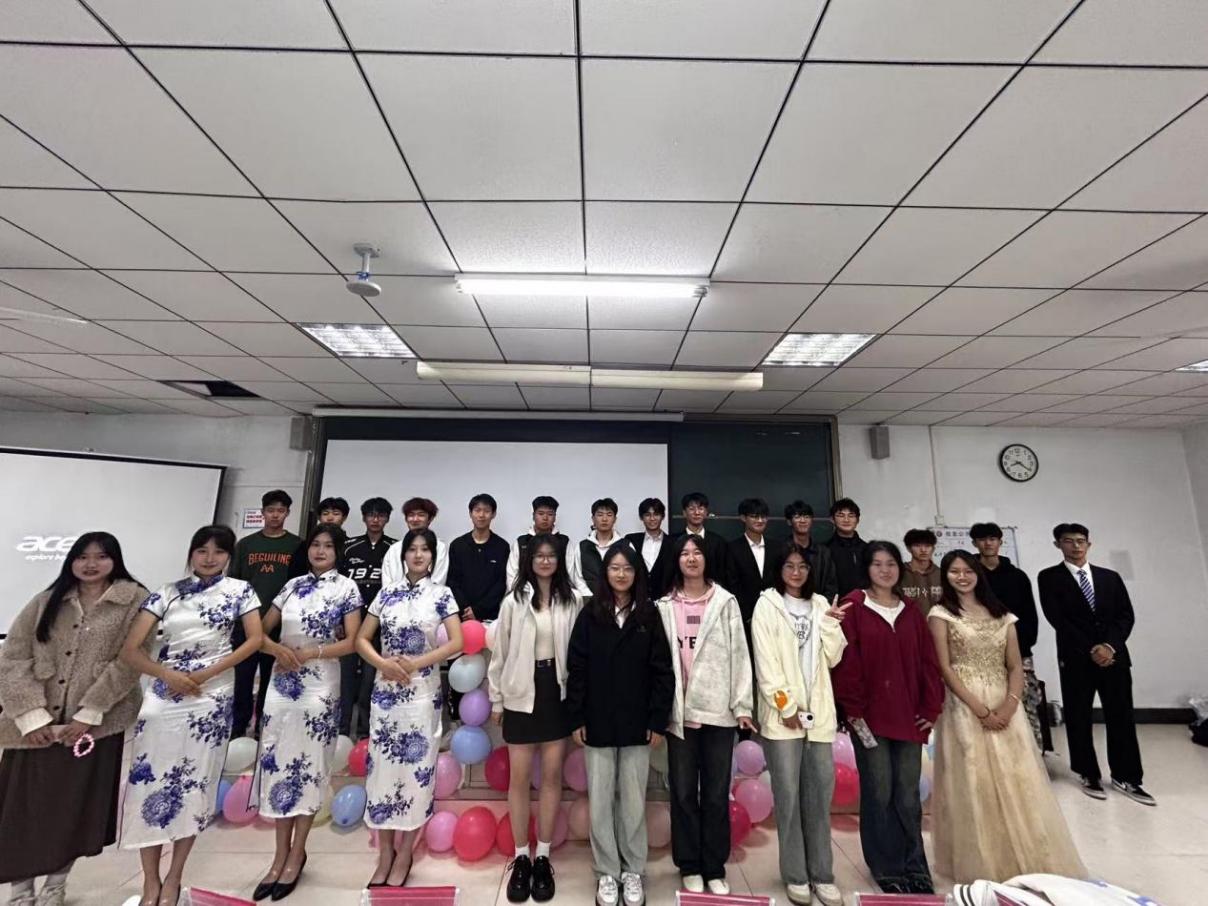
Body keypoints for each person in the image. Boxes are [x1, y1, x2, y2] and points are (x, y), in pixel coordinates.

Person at [0, 534, 150, 906]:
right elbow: (14, 657)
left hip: (93, 728)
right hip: (34, 728)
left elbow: (130, 661)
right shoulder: (47, 601)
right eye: (82, 557)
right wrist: (31, 717)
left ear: (115, 560)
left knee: (71, 810)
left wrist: (89, 714)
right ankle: (20, 892)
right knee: (22, 809)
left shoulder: (134, 600)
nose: (91, 564)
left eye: (101, 556)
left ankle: (55, 887)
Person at [120, 526, 264, 906]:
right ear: (191, 553)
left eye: (218, 551)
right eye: (202, 550)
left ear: (229, 556)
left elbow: (255, 640)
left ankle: (174, 877)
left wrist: (205, 674)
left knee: (193, 785)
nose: (209, 558)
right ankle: (150, 881)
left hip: (210, 695)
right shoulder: (167, 592)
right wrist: (167, 675)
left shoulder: (240, 590)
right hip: (165, 694)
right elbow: (131, 650)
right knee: (150, 782)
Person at [928, 550, 1086, 883]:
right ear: (946, 576)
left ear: (978, 573)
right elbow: (944, 667)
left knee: (1019, 779)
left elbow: (1015, 665)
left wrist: (1010, 706)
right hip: (964, 705)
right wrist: (980, 709)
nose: (962, 577)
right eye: (954, 571)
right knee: (975, 782)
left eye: (967, 570)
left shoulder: (1002, 614)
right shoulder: (941, 614)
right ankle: (985, 861)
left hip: (1005, 703)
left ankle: (1027, 853)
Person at [252, 524, 363, 901]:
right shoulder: (291, 586)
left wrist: (311, 653)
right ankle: (278, 855)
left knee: (309, 766)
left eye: (328, 546)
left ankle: (297, 853)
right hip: (282, 682)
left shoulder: (346, 588)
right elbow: (259, 632)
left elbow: (352, 642)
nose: (320, 551)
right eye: (315, 544)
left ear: (338, 552)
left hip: (320, 683)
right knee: (279, 764)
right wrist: (277, 651)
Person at [831, 541, 943, 895]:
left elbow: (928, 662)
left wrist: (931, 708)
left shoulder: (910, 610)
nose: (885, 570)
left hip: (909, 717)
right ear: (867, 569)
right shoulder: (854, 606)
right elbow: (845, 664)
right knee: (879, 792)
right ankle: (886, 866)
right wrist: (854, 711)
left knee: (907, 795)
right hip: (869, 719)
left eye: (891, 563)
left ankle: (915, 866)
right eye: (877, 564)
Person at [566, 542, 674, 906]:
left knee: (632, 800)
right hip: (597, 720)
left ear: (636, 573)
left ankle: (633, 870)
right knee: (600, 800)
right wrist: (577, 716)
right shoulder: (590, 614)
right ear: (605, 573)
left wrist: (657, 719)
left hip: (637, 723)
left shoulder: (648, 614)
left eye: (628, 568)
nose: (621, 574)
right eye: (615, 568)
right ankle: (606, 872)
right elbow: (577, 668)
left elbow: (662, 671)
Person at [358, 529, 463, 888]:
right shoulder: (386, 593)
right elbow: (361, 638)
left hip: (421, 692)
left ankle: (405, 852)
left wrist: (417, 663)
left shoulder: (441, 594)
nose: (418, 555)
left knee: (417, 769)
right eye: (412, 549)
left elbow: (456, 642)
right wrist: (382, 663)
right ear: (403, 555)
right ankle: (385, 853)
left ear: (433, 556)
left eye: (425, 550)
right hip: (386, 691)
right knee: (382, 771)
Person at [656, 534, 754, 897]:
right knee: (682, 792)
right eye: (684, 553)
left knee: (715, 793)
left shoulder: (725, 602)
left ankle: (714, 866)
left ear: (707, 558)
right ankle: (689, 864)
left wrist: (742, 705)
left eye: (697, 552)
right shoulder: (664, 605)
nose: (691, 558)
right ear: (676, 560)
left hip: (718, 711)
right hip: (679, 714)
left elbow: (740, 654)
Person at [751, 544, 850, 906]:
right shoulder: (767, 605)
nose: (796, 572)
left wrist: (831, 625)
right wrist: (785, 705)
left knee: (819, 796)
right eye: (789, 566)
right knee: (789, 798)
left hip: (819, 716)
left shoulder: (821, 604)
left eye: (802, 567)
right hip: (783, 719)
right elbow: (765, 663)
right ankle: (795, 875)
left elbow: (834, 657)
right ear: (779, 570)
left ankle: (822, 874)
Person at [488, 534, 583, 904]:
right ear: (529, 561)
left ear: (559, 561)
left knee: (552, 777)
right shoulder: (513, 600)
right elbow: (500, 653)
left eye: (551, 556)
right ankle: (521, 856)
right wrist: (497, 698)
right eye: (539, 556)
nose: (545, 561)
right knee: (520, 778)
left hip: (555, 692)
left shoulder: (570, 600)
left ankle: (543, 856)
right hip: (520, 692)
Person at [1038, 523, 1153, 805]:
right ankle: (1087, 772)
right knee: (1078, 716)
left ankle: (1127, 776)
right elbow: (1057, 618)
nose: (1076, 546)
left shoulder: (1109, 577)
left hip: (1114, 657)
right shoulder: (1049, 577)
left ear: (1089, 544)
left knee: (1121, 716)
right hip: (1076, 658)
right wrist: (1091, 648)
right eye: (1068, 541)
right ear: (1058, 545)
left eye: (1081, 541)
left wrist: (1109, 646)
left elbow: (1125, 616)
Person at [230, 490, 300, 739]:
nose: (275, 515)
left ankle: (264, 727)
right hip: (246, 624)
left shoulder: (296, 545)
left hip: (280, 626)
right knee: (242, 679)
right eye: (270, 510)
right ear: (262, 512)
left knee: (272, 680)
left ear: (287, 513)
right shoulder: (246, 545)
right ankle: (238, 729)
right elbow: (234, 584)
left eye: (280, 511)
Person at [970, 523, 1045, 751]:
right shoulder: (970, 576)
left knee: (1025, 703)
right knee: (988, 704)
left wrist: (1019, 646)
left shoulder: (1018, 577)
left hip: (1019, 651)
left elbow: (1030, 618)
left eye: (993, 538)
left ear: (1000, 542)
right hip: (981, 654)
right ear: (974, 543)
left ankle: (1033, 754)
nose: (988, 543)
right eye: (982, 539)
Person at [340, 497, 397, 741]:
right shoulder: (348, 547)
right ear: (364, 517)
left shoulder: (394, 548)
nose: (375, 520)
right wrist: (338, 620)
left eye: (380, 515)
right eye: (371, 515)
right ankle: (341, 731)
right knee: (345, 680)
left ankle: (364, 733)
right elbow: (339, 585)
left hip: (377, 626)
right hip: (349, 623)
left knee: (369, 681)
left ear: (387, 519)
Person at [447, 493, 511, 623]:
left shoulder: (502, 546)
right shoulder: (458, 545)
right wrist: (465, 609)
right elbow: (452, 581)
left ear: (493, 514)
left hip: (490, 617)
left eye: (486, 511)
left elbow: (501, 583)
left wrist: (478, 610)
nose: (481, 515)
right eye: (477, 510)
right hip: (460, 615)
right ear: (470, 513)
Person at [727, 497, 775, 630]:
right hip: (744, 619)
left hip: (774, 615)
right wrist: (747, 616)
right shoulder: (732, 548)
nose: (760, 520)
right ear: (743, 518)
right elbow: (732, 584)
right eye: (754, 516)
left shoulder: (777, 547)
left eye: (763, 517)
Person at [506, 495, 570, 588]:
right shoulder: (522, 542)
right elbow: (512, 575)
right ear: (533, 516)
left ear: (555, 518)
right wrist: (525, 593)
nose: (545, 518)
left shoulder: (564, 542)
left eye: (550, 514)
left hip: (558, 593)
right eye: (541, 513)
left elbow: (570, 574)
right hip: (525, 594)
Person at [382, 498, 448, 587]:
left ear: (430, 519)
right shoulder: (394, 549)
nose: (415, 519)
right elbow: (387, 584)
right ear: (406, 519)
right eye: (411, 515)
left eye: (421, 515)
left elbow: (438, 581)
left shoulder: (439, 547)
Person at [570, 498, 627, 600]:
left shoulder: (626, 545)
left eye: (609, 515)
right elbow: (578, 577)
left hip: (619, 599)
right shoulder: (582, 546)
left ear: (615, 519)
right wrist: (590, 597)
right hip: (590, 601)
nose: (604, 519)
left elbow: (630, 573)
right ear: (593, 519)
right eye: (600, 515)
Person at [784, 501, 838, 602]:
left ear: (812, 520)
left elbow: (831, 586)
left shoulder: (824, 552)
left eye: (807, 517)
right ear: (789, 521)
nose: (803, 520)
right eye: (797, 517)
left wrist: (822, 606)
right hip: (788, 607)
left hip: (820, 607)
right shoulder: (782, 551)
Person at [677, 492, 731, 589]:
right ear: (684, 513)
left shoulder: (718, 542)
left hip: (714, 593)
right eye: (692, 509)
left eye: (701, 508)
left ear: (706, 512)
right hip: (682, 592)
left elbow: (724, 575)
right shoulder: (674, 541)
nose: (697, 512)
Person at [286, 497, 349, 579]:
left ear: (344, 517)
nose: (330, 518)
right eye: (325, 513)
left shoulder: (349, 545)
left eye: (336, 514)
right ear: (319, 517)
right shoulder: (306, 545)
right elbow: (295, 572)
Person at [625, 498, 673, 602]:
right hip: (636, 601)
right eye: (647, 515)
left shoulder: (673, 543)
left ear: (663, 516)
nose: (652, 518)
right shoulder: (631, 540)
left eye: (656, 514)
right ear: (641, 517)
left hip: (666, 602)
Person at [824, 498, 867, 598]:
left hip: (865, 604)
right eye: (841, 515)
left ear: (858, 520)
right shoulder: (825, 550)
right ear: (832, 519)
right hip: (835, 605)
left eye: (851, 515)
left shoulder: (867, 549)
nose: (846, 520)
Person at [899, 529, 941, 615]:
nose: (923, 550)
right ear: (908, 548)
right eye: (917, 546)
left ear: (933, 548)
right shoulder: (899, 573)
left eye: (927, 546)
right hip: (909, 621)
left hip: (937, 621)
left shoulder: (941, 573)